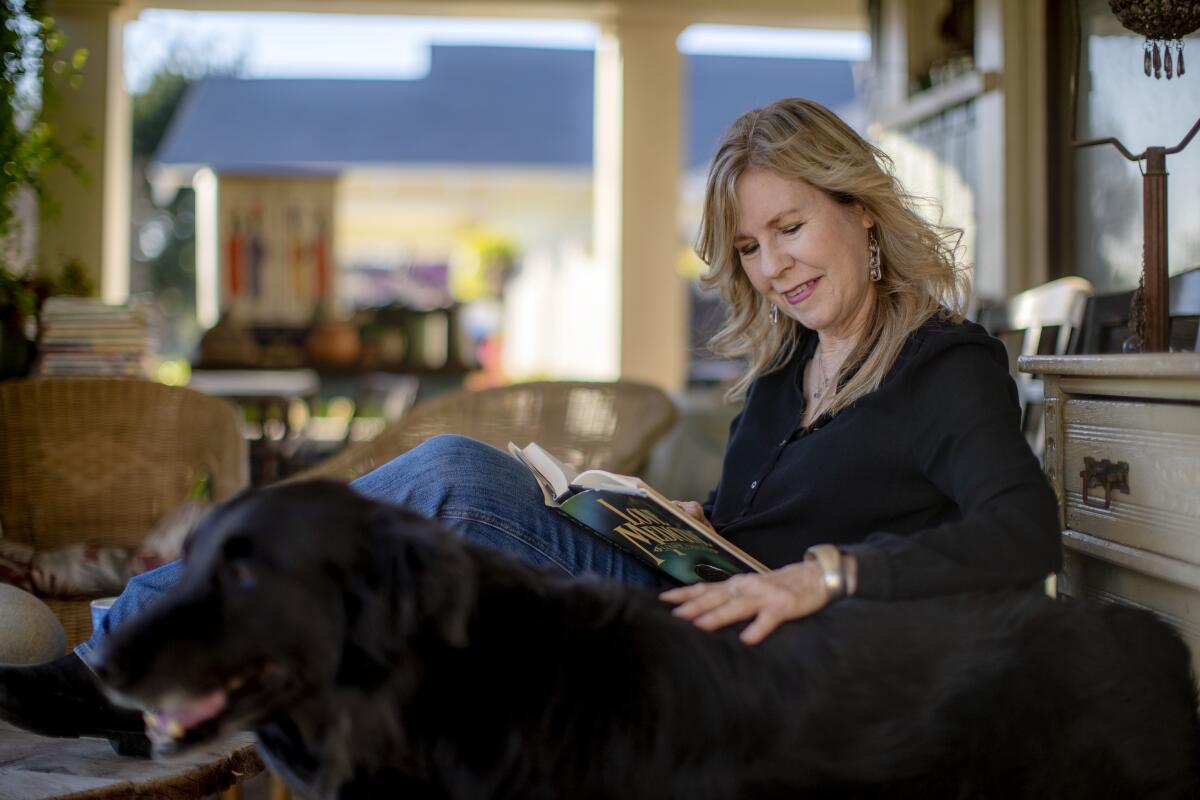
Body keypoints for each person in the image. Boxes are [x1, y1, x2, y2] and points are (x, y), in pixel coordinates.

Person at [0, 98, 1060, 755]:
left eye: (790, 227)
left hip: (774, 654)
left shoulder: (943, 363)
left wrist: (819, 575)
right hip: (700, 596)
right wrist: (668, 516)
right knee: (459, 500)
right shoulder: (790, 367)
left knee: (457, 475)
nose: (772, 265)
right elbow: (750, 521)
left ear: (860, 211)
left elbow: (1024, 535)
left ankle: (127, 651)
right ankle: (159, 658)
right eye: (748, 246)